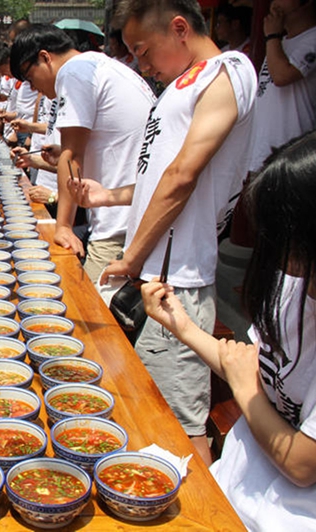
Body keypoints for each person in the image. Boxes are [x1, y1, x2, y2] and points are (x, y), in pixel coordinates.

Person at [73, 0, 257, 464]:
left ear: (179, 28)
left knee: (176, 423)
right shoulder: (182, 82)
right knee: (145, 408)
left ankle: (202, 503)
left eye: (143, 50)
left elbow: (182, 176)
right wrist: (108, 196)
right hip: (155, 275)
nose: (142, 64)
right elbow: (160, 177)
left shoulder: (228, 70)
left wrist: (132, 256)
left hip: (176, 281)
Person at [141, 129, 316, 530]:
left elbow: (302, 464)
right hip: (229, 490)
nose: (270, 248)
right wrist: (181, 325)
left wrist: (245, 389)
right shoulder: (293, 283)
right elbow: (246, 365)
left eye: (283, 236)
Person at [10, 23, 155, 285]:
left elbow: (72, 153)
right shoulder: (100, 65)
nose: (36, 89)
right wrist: (64, 155)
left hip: (117, 224)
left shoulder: (73, 72)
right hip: (134, 212)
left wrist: (63, 226)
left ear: (45, 57)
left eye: (31, 78)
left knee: (89, 301)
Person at [247, 0, 316, 178]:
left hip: (288, 154)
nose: (274, 3)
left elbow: (282, 76)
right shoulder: (280, 43)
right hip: (261, 151)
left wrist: (272, 36)